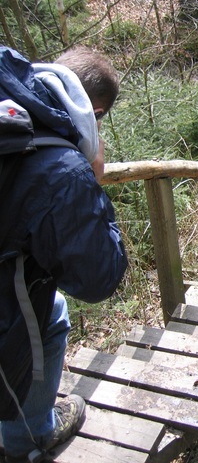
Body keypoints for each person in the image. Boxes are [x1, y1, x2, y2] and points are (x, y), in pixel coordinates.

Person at [0, 46, 128, 461]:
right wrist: (91, 180)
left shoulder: (13, 107)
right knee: (50, 315)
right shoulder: (61, 165)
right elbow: (97, 279)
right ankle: (30, 438)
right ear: (95, 109)